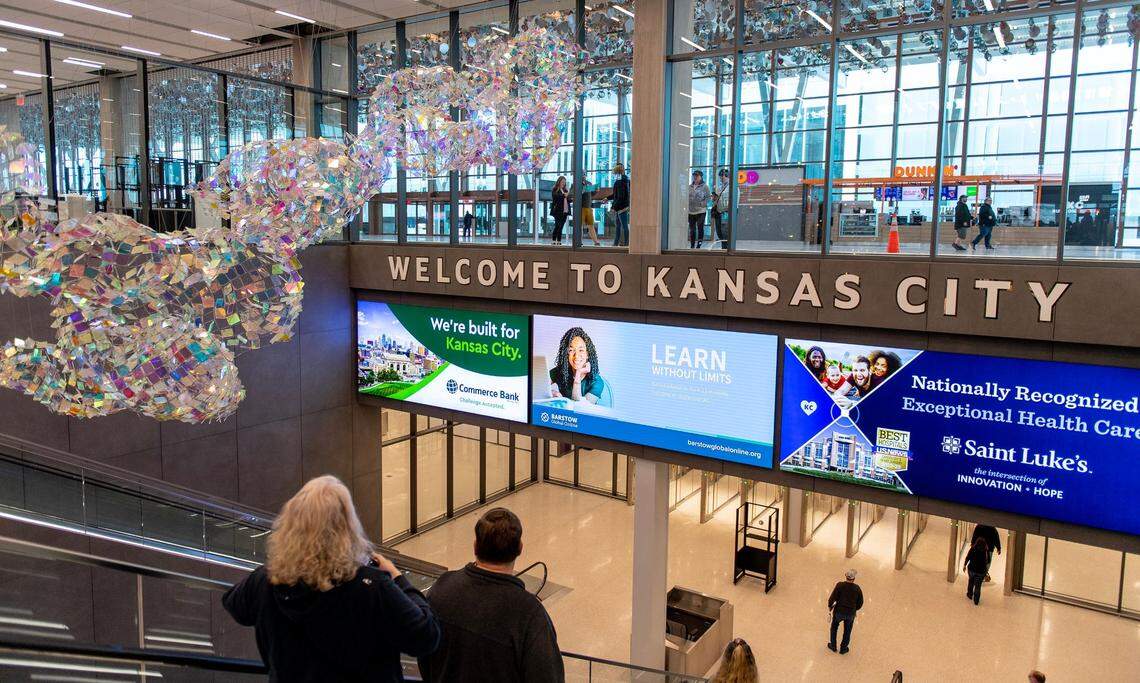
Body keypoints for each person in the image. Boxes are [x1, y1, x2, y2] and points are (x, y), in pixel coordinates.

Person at [222, 476, 440, 682]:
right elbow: (426, 637)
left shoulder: (266, 580)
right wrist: (399, 579)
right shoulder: (371, 586)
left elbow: (234, 605)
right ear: (346, 528)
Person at [418, 508, 564, 683]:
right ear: (520, 548)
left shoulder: (442, 588)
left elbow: (424, 654)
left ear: (475, 546)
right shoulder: (529, 614)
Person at [549, 326, 609, 406]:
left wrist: (578, 375)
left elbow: (580, 409)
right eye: (571, 350)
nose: (576, 356)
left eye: (581, 350)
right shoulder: (560, 371)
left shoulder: (597, 382)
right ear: (566, 354)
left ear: (587, 354)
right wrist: (549, 393)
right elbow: (535, 386)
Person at [827, 569, 863, 654]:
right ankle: (843, 649)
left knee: (834, 628)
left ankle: (833, 646)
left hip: (839, 611)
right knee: (847, 631)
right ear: (854, 579)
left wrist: (830, 606)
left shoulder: (840, 585)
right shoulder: (857, 588)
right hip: (850, 614)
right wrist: (855, 609)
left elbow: (832, 597)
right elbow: (860, 602)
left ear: (845, 576)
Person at [687, 170, 711, 249]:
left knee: (700, 228)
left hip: (701, 211)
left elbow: (708, 197)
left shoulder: (705, 186)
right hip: (691, 211)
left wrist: (703, 204)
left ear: (701, 177)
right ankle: (692, 245)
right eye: (694, 175)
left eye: (697, 176)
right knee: (692, 229)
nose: (695, 177)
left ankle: (699, 244)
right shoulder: (690, 186)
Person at [963, 537, 990, 606]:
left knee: (971, 581)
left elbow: (968, 557)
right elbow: (988, 561)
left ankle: (969, 594)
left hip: (971, 569)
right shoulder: (986, 551)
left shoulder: (973, 549)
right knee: (978, 586)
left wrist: (965, 565)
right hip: (981, 571)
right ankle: (976, 600)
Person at [611, 163, 630, 247]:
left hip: (621, 207)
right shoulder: (626, 180)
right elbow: (616, 195)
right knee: (620, 226)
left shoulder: (619, 182)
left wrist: (614, 207)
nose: (613, 174)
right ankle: (617, 243)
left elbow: (619, 197)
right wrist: (607, 198)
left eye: (614, 172)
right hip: (623, 206)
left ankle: (626, 243)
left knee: (623, 226)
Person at [711, 168, 731, 250]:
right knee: (720, 233)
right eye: (721, 176)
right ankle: (723, 249)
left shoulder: (732, 187)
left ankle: (726, 250)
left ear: (727, 176)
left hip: (726, 213)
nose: (722, 178)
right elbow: (717, 200)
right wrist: (714, 198)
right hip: (718, 212)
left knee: (725, 233)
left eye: (723, 176)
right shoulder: (719, 188)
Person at [579, 174, 601, 246]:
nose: (584, 176)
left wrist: (596, 191)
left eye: (584, 174)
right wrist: (582, 191)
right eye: (582, 174)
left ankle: (596, 242)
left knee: (591, 225)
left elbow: (591, 195)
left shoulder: (589, 183)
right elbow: (572, 194)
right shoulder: (576, 184)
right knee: (580, 226)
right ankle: (579, 241)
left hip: (588, 207)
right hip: (580, 208)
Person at [551, 176, 570, 246]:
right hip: (557, 210)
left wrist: (568, 196)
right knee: (557, 225)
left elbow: (569, 200)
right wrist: (564, 196)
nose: (563, 183)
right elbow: (556, 198)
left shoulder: (565, 190)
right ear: (559, 182)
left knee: (561, 226)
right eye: (562, 182)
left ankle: (559, 240)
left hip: (565, 210)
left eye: (564, 182)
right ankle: (553, 239)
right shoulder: (555, 189)